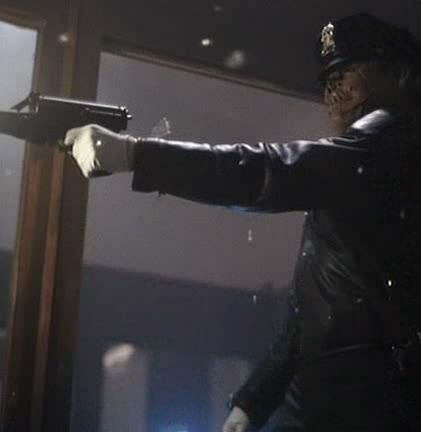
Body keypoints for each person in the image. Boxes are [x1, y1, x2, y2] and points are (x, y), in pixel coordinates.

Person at [64, 13, 421, 432]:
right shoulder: (360, 161)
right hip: (340, 397)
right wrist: (254, 401)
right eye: (328, 79)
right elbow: (313, 307)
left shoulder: (390, 144)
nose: (333, 91)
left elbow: (271, 172)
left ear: (399, 74)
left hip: (373, 402)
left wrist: (138, 155)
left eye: (348, 72)